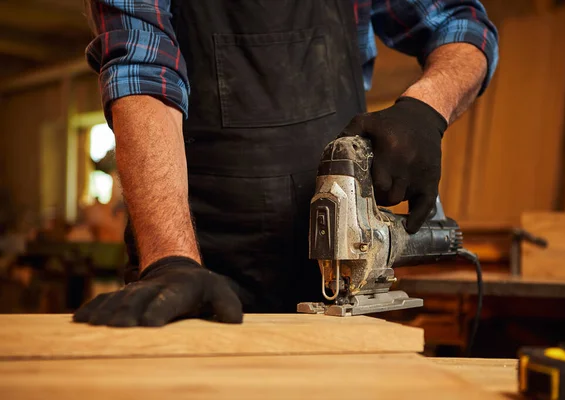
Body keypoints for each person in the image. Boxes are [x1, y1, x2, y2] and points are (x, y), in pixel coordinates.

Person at [74, 0, 498, 327]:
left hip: (337, 271)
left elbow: (460, 22)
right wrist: (171, 261)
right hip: (201, 255)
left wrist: (426, 110)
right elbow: (142, 70)